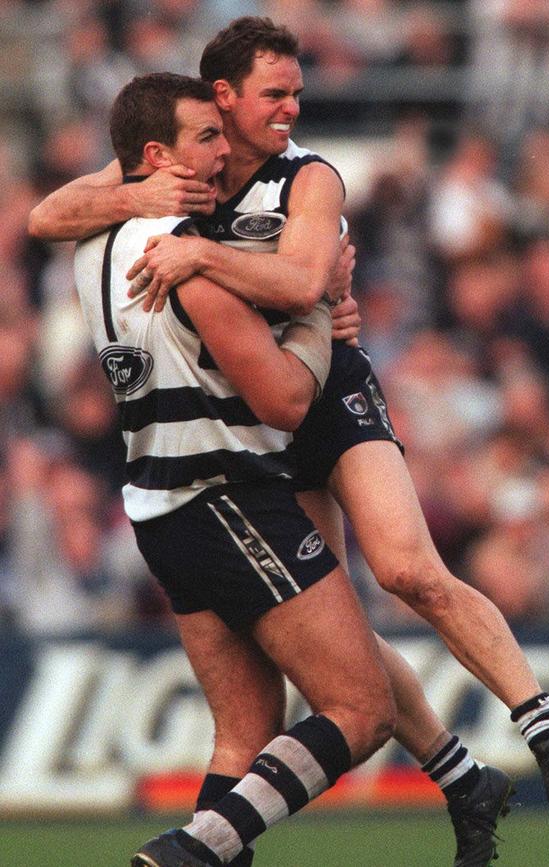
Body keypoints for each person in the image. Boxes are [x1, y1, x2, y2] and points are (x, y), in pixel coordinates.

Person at [30, 16, 549, 864]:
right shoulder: (181, 165)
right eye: (277, 93)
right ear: (220, 103)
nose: (294, 108)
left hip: (312, 384)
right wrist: (138, 201)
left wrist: (207, 261)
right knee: (331, 632)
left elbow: (302, 282)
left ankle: (545, 726)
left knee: (405, 568)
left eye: (299, 91)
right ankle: (459, 774)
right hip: (251, 409)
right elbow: (49, 211)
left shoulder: (309, 179)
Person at [73, 70, 399, 867]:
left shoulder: (92, 247)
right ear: (157, 154)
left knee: (243, 736)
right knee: (362, 710)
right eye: (206, 137)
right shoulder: (190, 261)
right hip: (230, 495)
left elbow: (62, 210)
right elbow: (287, 399)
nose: (226, 150)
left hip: (157, 508)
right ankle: (191, 847)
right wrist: (321, 306)